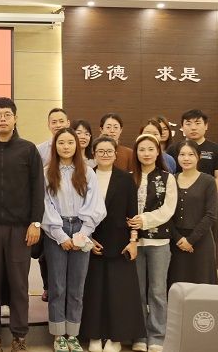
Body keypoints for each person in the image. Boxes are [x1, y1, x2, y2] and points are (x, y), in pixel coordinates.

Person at [0, 97, 44, 352]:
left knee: (19, 284)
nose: (2, 119)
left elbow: (38, 189)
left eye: (7, 114)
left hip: (20, 228)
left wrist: (35, 222)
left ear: (15, 118)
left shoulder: (28, 150)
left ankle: (19, 336)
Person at [41, 127, 106, 352]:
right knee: (57, 286)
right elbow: (45, 205)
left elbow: (95, 204)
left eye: (70, 142)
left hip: (82, 227)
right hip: (55, 229)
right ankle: (59, 335)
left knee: (77, 287)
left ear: (77, 145)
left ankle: (73, 335)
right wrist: (60, 235)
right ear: (55, 146)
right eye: (61, 143)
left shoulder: (87, 172)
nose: (66, 146)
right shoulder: (47, 172)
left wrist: (82, 234)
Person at [80, 136, 144, 352]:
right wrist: (87, 239)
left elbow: (133, 214)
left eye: (109, 151)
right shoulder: (86, 177)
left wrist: (133, 241)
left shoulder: (126, 180)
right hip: (93, 242)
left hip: (120, 244)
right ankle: (94, 336)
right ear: (94, 154)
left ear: (116, 154)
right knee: (94, 291)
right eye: (101, 151)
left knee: (119, 292)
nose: (105, 155)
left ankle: (116, 338)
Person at [127, 134, 177, 352]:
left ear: (158, 152)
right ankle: (139, 335)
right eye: (141, 149)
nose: (146, 153)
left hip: (159, 242)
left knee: (157, 290)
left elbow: (168, 209)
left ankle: (157, 336)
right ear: (136, 153)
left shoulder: (168, 178)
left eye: (150, 149)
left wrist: (144, 220)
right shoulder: (128, 177)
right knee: (137, 290)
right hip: (133, 243)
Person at [168, 140, 218, 286]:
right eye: (182, 154)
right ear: (177, 157)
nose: (186, 158)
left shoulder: (208, 181)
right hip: (176, 241)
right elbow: (166, 212)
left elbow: (211, 214)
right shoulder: (171, 179)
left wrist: (190, 240)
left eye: (191, 154)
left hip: (201, 241)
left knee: (202, 284)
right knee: (177, 285)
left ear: (198, 157)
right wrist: (178, 239)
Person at [36, 108, 70, 302]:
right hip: (48, 208)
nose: (58, 125)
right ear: (48, 125)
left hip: (71, 209)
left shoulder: (74, 145)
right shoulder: (40, 149)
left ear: (68, 123)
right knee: (45, 255)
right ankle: (48, 286)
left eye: (61, 121)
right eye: (54, 122)